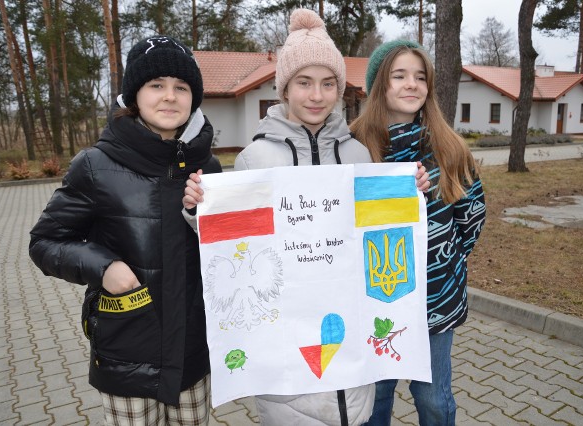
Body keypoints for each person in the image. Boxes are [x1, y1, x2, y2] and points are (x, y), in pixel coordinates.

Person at [183, 10, 428, 426]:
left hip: (352, 361)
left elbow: (377, 234)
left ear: (339, 88)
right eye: (304, 82)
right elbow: (234, 244)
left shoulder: (357, 154)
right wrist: (198, 209)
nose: (316, 95)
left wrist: (408, 194)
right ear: (284, 88)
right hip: (288, 375)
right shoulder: (256, 158)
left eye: (328, 83)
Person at [29, 35, 221, 425]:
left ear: (194, 98)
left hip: (193, 352)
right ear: (134, 94)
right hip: (127, 352)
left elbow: (231, 250)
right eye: (156, 85)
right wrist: (103, 267)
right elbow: (45, 242)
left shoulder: (209, 167)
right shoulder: (95, 165)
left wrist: (201, 218)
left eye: (181, 87)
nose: (170, 97)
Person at [350, 40, 487, 426]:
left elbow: (472, 217)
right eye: (399, 75)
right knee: (375, 398)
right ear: (379, 85)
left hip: (437, 299)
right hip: (375, 301)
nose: (412, 84)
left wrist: (447, 263)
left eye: (420, 76)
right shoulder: (351, 147)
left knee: (434, 400)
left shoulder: (449, 148)